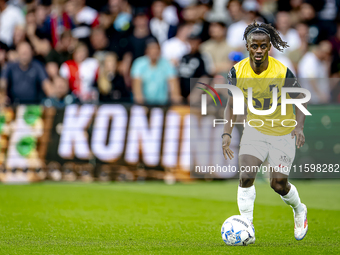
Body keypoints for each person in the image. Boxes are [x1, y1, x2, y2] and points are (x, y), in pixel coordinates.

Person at [222, 21, 308, 244]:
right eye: (254, 46)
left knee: (277, 184)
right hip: (255, 130)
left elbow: (299, 100)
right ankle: (247, 226)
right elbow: (231, 105)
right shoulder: (237, 71)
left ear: (270, 47)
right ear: (247, 46)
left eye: (263, 46)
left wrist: (299, 127)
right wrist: (226, 133)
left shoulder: (282, 71)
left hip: (283, 131)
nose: (258, 50)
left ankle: (299, 209)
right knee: (246, 175)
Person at [130, 38, 181, 105]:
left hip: (163, 105)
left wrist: (175, 102)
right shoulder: (139, 64)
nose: (154, 51)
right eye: (151, 48)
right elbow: (137, 90)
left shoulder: (167, 64)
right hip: (143, 105)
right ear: (146, 50)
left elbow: (174, 87)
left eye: (156, 48)